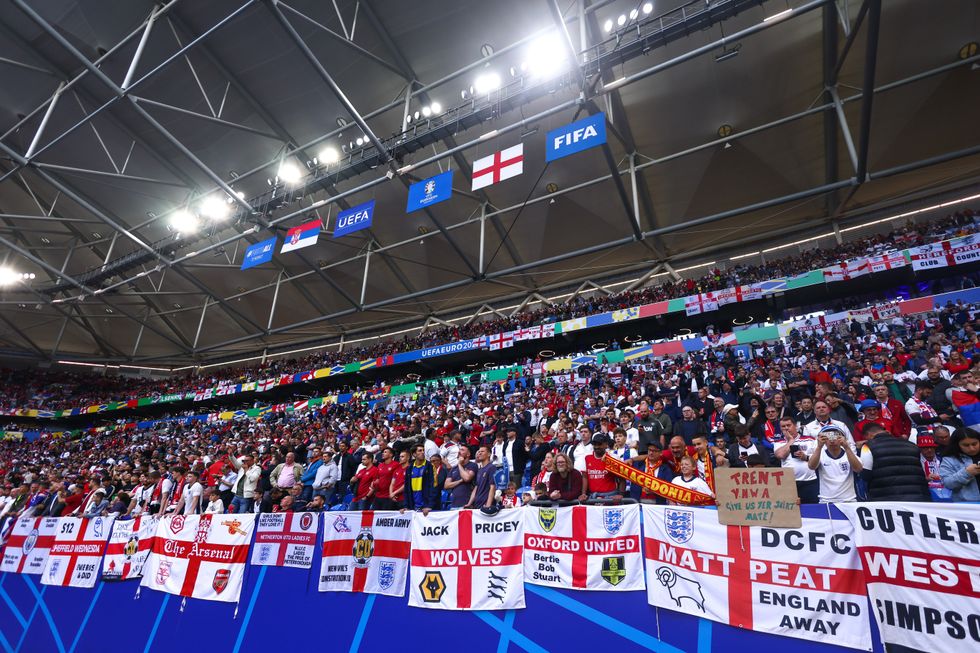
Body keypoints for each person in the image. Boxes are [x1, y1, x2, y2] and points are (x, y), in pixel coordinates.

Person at [859, 423, 931, 501]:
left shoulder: (867, 446)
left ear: (868, 435)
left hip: (887, 499)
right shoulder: (912, 445)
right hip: (919, 497)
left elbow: (866, 474)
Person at [807, 425, 862, 503]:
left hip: (849, 500)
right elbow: (811, 466)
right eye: (828, 437)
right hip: (826, 500)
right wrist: (819, 446)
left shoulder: (849, 453)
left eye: (835, 436)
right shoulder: (819, 453)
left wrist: (846, 447)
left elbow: (858, 469)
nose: (832, 440)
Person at [773, 416, 819, 504]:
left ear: (795, 426)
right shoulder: (778, 442)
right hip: (789, 483)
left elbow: (818, 459)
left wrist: (805, 457)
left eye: (788, 425)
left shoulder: (810, 440)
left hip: (809, 481)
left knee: (813, 510)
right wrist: (791, 440)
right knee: (793, 512)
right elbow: (780, 455)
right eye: (783, 426)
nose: (786, 428)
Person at [938, 428, 980, 502]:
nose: (972, 448)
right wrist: (966, 473)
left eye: (974, 444)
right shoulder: (949, 460)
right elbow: (947, 483)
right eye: (966, 445)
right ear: (957, 445)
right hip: (968, 506)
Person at [582, 434, 622, 500]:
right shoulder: (587, 457)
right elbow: (585, 477)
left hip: (610, 496)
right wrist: (583, 494)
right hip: (592, 496)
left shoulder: (613, 458)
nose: (597, 446)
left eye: (599, 444)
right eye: (595, 444)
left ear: (606, 445)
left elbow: (621, 477)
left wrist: (621, 494)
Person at [227, 449, 261, 514]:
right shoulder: (242, 466)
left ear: (252, 461)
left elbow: (252, 478)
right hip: (236, 494)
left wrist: (246, 470)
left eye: (246, 461)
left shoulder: (257, 468)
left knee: (241, 514)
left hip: (246, 496)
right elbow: (235, 463)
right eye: (243, 461)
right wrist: (231, 455)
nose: (244, 462)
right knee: (230, 512)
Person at [403, 445, 435, 514]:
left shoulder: (430, 466)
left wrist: (429, 505)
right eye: (420, 451)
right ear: (414, 454)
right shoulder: (409, 468)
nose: (423, 452)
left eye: (423, 450)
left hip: (426, 508)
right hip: (413, 507)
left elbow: (434, 487)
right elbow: (406, 488)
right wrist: (406, 506)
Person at [444, 445, 477, 509]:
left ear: (468, 454)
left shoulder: (472, 465)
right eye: (459, 450)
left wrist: (459, 464)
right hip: (453, 504)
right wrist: (460, 480)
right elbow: (446, 485)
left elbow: (467, 478)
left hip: (467, 504)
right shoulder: (453, 468)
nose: (459, 452)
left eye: (462, 450)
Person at [465, 445, 497, 510]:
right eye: (479, 451)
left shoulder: (491, 467)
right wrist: (469, 503)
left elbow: (492, 487)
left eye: (482, 451)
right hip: (477, 505)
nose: (479, 453)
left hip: (485, 505)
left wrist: (488, 505)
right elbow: (476, 488)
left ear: (489, 454)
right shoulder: (479, 470)